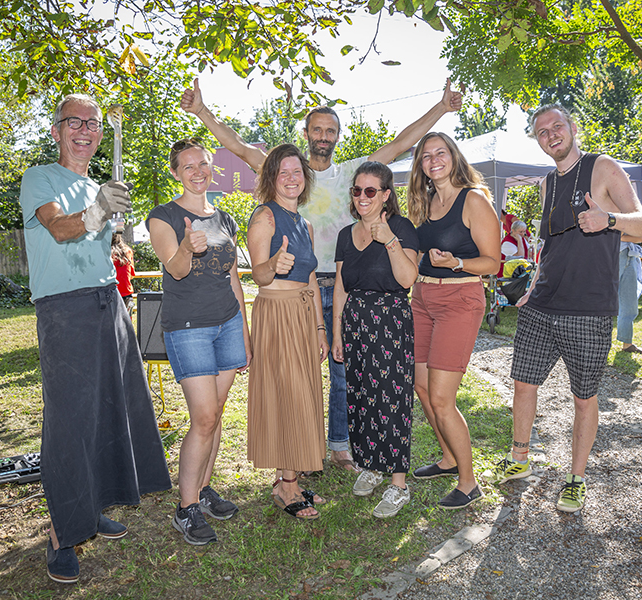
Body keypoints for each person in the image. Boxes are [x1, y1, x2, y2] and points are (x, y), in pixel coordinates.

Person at [181, 78, 461, 473]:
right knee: (302, 376)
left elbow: (399, 144)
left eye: (331, 130)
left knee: (345, 372)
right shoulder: (289, 172)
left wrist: (441, 108)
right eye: (317, 129)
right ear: (307, 134)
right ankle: (299, 450)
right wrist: (202, 112)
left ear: (337, 136)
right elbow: (241, 147)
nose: (324, 136)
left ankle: (340, 446)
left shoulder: (351, 174)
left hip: (346, 284)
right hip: (301, 288)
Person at [19, 94, 171, 583]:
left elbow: (102, 252)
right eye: (75, 122)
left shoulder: (95, 185)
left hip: (108, 304)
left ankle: (93, 508)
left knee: (111, 410)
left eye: (94, 124)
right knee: (69, 424)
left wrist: (109, 217)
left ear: (101, 135)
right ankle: (63, 533)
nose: (85, 130)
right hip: (64, 312)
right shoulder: (40, 178)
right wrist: (94, 212)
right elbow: (61, 230)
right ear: (57, 130)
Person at [487, 104, 642, 514]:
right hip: (543, 302)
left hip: (589, 306)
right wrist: (533, 284)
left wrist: (609, 218)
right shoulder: (547, 183)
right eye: (541, 131)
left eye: (556, 126)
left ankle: (576, 478)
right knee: (524, 383)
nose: (550, 134)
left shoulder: (602, 167)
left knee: (583, 398)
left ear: (573, 128)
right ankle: (519, 459)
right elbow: (550, 243)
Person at [146, 139, 251, 545]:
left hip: (227, 324)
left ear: (211, 168)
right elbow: (173, 270)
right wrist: (188, 247)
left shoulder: (224, 218)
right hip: (188, 328)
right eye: (187, 166)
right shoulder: (164, 216)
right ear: (176, 172)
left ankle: (203, 491)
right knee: (204, 417)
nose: (196, 171)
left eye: (203, 164)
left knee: (216, 413)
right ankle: (185, 508)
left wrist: (244, 331)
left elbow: (233, 278)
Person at [407, 132, 501, 510]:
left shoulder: (473, 200)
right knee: (423, 387)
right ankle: (448, 459)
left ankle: (468, 482)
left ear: (453, 157)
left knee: (443, 397)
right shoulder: (425, 201)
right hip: (422, 297)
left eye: (440, 153)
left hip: (460, 298)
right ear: (422, 166)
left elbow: (493, 263)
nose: (433, 161)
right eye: (426, 156)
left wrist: (457, 262)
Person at [330, 162, 419, 518]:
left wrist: (390, 241)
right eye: (357, 190)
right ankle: (369, 463)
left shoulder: (402, 228)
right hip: (355, 322)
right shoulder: (345, 234)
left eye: (370, 191)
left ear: (385, 195)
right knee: (362, 396)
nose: (362, 197)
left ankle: (398, 483)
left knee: (392, 400)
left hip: (391, 320)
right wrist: (336, 331)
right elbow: (340, 286)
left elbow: (408, 277)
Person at [246, 144, 328, 520]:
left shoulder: (304, 223)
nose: (292, 178)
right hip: (276, 315)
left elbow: (310, 276)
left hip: (303, 314)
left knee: (302, 394)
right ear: (272, 178)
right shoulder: (265, 216)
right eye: (284, 173)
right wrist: (273, 264)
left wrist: (320, 327)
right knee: (288, 394)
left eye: (298, 172)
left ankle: (285, 480)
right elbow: (258, 275)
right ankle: (289, 485)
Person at [617, 234, 642, 353]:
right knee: (602, 301)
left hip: (630, 255)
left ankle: (627, 343)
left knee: (630, 303)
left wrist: (621, 235)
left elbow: (640, 237)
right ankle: (597, 342)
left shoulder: (632, 215)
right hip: (609, 255)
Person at [111, 233, 136, 311]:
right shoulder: (128, 251)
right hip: (127, 292)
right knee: (126, 321)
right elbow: (131, 275)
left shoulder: (106, 251)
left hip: (112, 292)